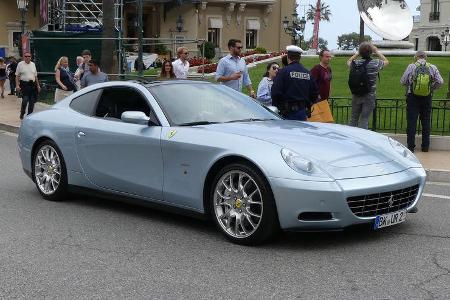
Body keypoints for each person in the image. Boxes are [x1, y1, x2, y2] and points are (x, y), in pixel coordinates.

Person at [400, 51, 443, 153]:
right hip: (427, 97)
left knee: (411, 123)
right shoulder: (432, 67)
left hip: (412, 98)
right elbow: (440, 81)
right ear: (426, 57)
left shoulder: (411, 66)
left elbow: (402, 81)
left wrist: (411, 84)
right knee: (426, 122)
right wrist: (432, 88)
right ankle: (425, 147)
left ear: (416, 57)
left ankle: (410, 147)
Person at [347, 42, 389, 129]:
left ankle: (350, 138)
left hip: (356, 94)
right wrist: (376, 51)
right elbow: (386, 61)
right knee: (364, 119)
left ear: (360, 52)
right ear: (371, 52)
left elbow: (348, 61)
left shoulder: (355, 64)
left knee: (353, 118)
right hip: (369, 95)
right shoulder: (375, 63)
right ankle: (362, 138)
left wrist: (357, 53)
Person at [271, 45, 318, 121]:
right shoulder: (308, 73)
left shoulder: (283, 72)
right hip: (303, 113)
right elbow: (314, 94)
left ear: (288, 57)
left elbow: (275, 92)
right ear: (299, 58)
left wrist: (277, 106)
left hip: (287, 113)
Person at [15, 52, 40, 119]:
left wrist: (38, 85)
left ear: (30, 57)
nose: (27, 57)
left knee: (32, 102)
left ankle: (29, 116)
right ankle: (22, 112)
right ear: (24, 57)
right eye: (26, 56)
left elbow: (35, 76)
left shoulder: (33, 64)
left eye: (29, 56)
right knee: (25, 100)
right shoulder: (20, 64)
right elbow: (17, 75)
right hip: (24, 85)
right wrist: (17, 85)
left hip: (32, 85)